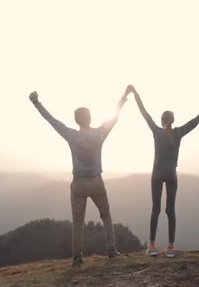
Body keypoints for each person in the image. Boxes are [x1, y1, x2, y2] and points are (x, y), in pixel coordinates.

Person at [29, 88, 129, 267]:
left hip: (79, 183)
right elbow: (114, 117)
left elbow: (52, 121)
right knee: (106, 216)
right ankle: (112, 249)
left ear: (76, 120)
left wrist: (36, 103)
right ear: (90, 118)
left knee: (78, 221)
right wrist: (123, 97)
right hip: (97, 181)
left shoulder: (72, 135)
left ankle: (77, 257)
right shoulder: (99, 134)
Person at [128, 85, 199, 258]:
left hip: (157, 174)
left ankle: (152, 246)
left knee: (155, 209)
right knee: (170, 210)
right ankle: (170, 248)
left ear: (162, 121)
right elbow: (195, 121)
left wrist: (135, 93)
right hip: (171, 174)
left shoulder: (156, 131)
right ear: (173, 120)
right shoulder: (178, 133)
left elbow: (144, 113)